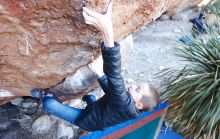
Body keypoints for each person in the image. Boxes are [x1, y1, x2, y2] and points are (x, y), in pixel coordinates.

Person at [31, 1, 160, 131]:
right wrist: (101, 76)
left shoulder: (124, 104)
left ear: (138, 105)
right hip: (99, 110)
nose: (133, 86)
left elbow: (115, 76)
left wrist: (107, 31)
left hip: (87, 120)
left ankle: (46, 96)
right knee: (91, 99)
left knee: (49, 104)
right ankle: (90, 100)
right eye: (138, 86)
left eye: (137, 89)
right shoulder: (126, 105)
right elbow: (113, 93)